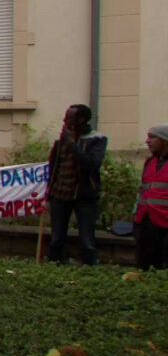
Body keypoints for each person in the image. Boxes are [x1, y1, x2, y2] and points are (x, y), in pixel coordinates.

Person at [46, 104, 107, 265]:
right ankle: (55, 265)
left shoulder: (97, 140)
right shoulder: (61, 141)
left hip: (85, 196)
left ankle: (89, 268)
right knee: (56, 236)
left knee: (87, 238)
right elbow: (53, 167)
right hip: (60, 194)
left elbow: (91, 164)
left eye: (69, 117)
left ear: (81, 119)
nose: (65, 121)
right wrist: (49, 191)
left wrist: (72, 144)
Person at [134, 124, 168, 270]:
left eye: (152, 137)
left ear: (165, 140)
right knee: (144, 264)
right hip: (145, 220)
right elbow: (142, 190)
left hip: (165, 224)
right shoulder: (149, 162)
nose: (147, 141)